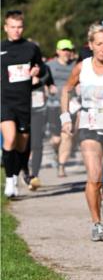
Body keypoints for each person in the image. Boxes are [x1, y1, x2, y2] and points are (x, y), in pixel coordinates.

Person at [61, 23, 103, 241]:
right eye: (99, 44)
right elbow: (66, 89)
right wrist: (65, 117)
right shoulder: (82, 67)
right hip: (89, 128)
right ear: (90, 45)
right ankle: (97, 224)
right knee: (94, 177)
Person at [1, 10, 45, 198]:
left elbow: (41, 68)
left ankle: (18, 172)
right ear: (5, 28)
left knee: (21, 145)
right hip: (4, 101)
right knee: (9, 139)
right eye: (12, 27)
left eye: (19, 27)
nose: (16, 31)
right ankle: (9, 181)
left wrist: (37, 71)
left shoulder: (31, 48)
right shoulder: (1, 48)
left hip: (24, 101)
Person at [47, 39, 78, 177]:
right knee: (56, 140)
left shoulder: (76, 66)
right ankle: (56, 152)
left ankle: (61, 166)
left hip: (70, 106)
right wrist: (48, 87)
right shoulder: (50, 65)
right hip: (53, 105)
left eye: (69, 50)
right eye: (64, 50)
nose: (67, 53)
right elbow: (42, 81)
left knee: (67, 135)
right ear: (58, 51)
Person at [24, 61, 55, 189]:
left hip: (39, 110)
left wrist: (51, 88)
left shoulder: (44, 68)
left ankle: (34, 175)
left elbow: (50, 84)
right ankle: (24, 172)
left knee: (37, 144)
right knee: (24, 144)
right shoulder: (20, 68)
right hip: (22, 110)